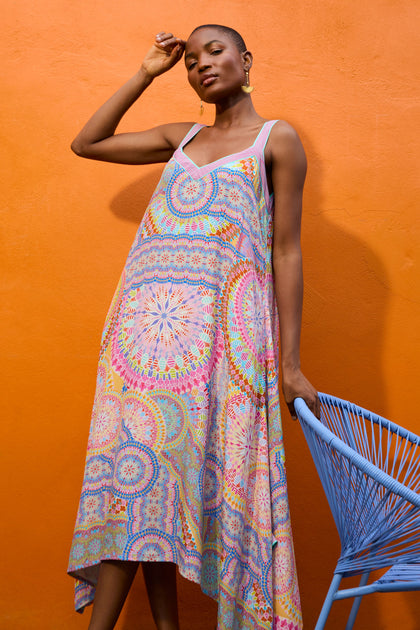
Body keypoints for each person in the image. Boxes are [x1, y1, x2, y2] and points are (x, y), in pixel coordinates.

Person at [68, 24, 319, 630]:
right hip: (141, 338)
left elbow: (286, 252)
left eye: (216, 51)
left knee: (169, 474)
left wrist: (289, 363)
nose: (202, 64)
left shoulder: (275, 138)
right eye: (192, 60)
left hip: (220, 344)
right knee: (141, 474)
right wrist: (148, 69)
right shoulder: (182, 137)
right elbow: (87, 143)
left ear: (245, 60)